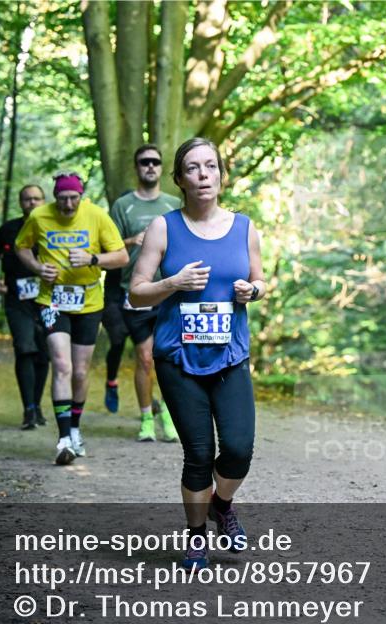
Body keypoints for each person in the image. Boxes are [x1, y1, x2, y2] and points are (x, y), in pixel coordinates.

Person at [130, 138, 266, 570]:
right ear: (180, 179)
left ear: (222, 175)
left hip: (230, 356)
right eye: (193, 168)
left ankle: (221, 505)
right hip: (178, 358)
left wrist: (253, 291)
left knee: (239, 449)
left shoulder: (245, 227)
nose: (203, 174)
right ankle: (195, 536)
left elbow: (262, 280)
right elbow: (136, 292)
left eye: (210, 166)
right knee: (199, 454)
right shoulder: (164, 228)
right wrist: (173, 283)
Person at [15, 172, 128, 464]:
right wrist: (38, 267)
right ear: (54, 197)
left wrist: (92, 259)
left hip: (89, 303)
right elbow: (21, 246)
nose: (68, 205)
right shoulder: (39, 216)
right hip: (52, 300)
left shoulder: (97, 216)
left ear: (81, 196)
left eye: (73, 198)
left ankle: (75, 428)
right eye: (62, 199)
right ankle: (64, 439)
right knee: (62, 365)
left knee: (80, 371)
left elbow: (121, 256)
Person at [110, 143, 182, 442]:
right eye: (144, 162)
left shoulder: (174, 203)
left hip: (170, 291)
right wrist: (131, 241)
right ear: (136, 167)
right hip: (136, 291)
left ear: (161, 167)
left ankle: (167, 413)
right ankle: (146, 419)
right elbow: (109, 248)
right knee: (145, 358)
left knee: (172, 359)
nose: (150, 166)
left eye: (155, 161)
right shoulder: (122, 205)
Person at [0, 184, 50, 430]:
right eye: (27, 199)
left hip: (47, 299)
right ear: (20, 203)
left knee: (44, 353)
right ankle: (28, 408)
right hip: (16, 299)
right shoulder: (9, 229)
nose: (32, 202)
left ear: (44, 201)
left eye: (36, 198)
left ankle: (37, 404)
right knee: (24, 349)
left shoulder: (53, 227)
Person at [100, 266, 128, 413]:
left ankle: (149, 400)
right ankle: (111, 382)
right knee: (118, 342)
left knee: (146, 353)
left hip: (144, 300)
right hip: (114, 299)